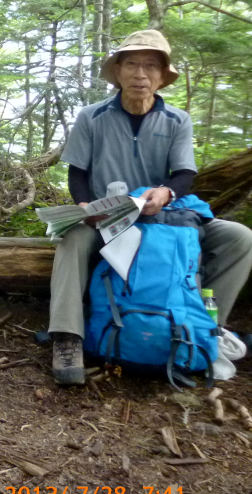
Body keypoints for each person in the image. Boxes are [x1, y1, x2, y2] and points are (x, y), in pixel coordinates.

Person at [48, 28, 252, 386]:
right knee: (73, 242)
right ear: (118, 71)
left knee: (239, 237)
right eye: (132, 64)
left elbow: (184, 173)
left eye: (150, 66)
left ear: (161, 76)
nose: (140, 74)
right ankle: (67, 338)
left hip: (164, 219)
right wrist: (84, 207)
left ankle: (204, 325)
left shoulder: (177, 120)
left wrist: (166, 194)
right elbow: (77, 172)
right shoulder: (91, 117)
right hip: (107, 220)